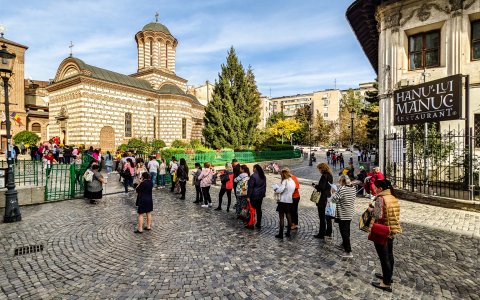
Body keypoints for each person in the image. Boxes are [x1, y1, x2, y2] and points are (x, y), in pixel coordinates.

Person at [369, 180, 402, 293]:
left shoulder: (380, 198)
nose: (375, 189)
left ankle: (386, 283)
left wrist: (370, 210)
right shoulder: (392, 197)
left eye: (376, 187)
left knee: (384, 257)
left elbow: (378, 215)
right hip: (392, 229)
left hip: (382, 230)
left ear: (380, 189)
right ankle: (388, 276)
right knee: (389, 255)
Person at [329, 175, 356, 258]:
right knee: (347, 230)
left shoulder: (342, 189)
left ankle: (348, 251)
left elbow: (333, 200)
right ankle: (344, 244)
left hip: (343, 213)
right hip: (349, 212)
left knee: (344, 232)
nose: (338, 182)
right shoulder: (353, 188)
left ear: (343, 181)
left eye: (339, 181)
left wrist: (333, 192)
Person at [313, 163, 333, 239]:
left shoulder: (324, 176)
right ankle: (329, 232)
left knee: (322, 216)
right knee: (328, 216)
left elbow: (321, 187)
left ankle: (321, 233)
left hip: (323, 198)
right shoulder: (330, 175)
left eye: (319, 169)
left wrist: (315, 186)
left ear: (322, 168)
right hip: (328, 196)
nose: (319, 170)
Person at [273, 169, 295, 239]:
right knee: (289, 216)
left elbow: (280, 190)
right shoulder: (292, 181)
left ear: (283, 175)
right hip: (289, 201)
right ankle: (288, 232)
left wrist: (276, 189)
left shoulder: (285, 181)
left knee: (281, 218)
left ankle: (281, 234)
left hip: (283, 201)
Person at [247, 164, 266, 229]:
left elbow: (250, 187)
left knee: (252, 210)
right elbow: (264, 186)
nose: (252, 169)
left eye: (253, 168)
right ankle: (258, 223)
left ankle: (251, 224)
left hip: (254, 195)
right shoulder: (263, 176)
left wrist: (248, 196)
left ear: (255, 168)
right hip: (260, 195)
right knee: (259, 209)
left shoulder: (253, 176)